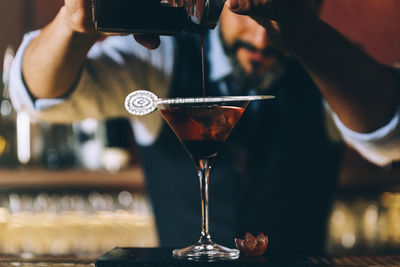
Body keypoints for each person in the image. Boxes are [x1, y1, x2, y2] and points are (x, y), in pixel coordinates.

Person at [10, 0, 400, 255]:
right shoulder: (157, 57)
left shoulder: (334, 64)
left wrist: (310, 41)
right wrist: (75, 20)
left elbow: (389, 140)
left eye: (283, 9)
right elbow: (41, 99)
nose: (262, 36)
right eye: (249, 14)